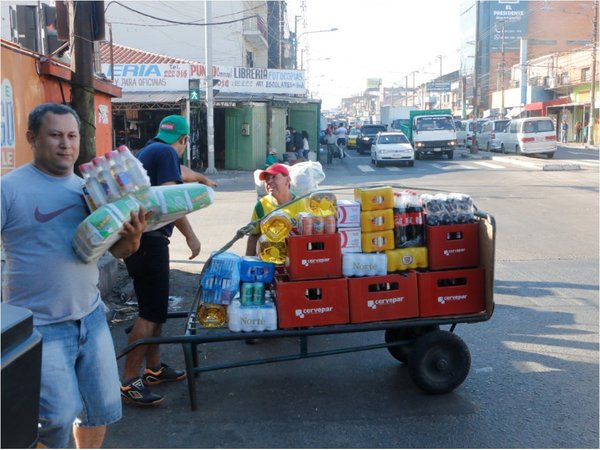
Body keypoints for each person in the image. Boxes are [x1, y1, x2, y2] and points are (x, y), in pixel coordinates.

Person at [1, 103, 148, 448]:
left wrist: (134, 239)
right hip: (39, 326)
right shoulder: (10, 189)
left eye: (71, 135)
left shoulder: (90, 191)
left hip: (91, 317)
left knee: (102, 409)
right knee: (57, 418)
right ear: (31, 138)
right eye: (55, 135)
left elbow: (117, 252)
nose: (66, 144)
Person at [120, 115, 214, 406]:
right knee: (150, 313)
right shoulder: (166, 153)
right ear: (184, 140)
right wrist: (191, 237)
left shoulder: (152, 150)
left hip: (142, 242)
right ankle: (129, 381)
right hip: (149, 241)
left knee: (157, 309)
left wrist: (198, 177)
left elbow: (180, 172)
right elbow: (173, 200)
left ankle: (153, 368)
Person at [245, 163, 307, 257]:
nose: (269, 181)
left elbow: (309, 237)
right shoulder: (261, 205)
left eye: (274, 177)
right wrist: (247, 259)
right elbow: (254, 236)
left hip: (295, 259)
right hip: (268, 260)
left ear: (287, 180)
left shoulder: (302, 204)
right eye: (267, 179)